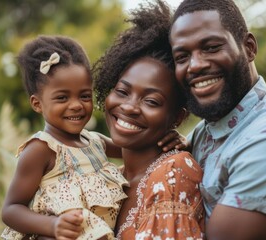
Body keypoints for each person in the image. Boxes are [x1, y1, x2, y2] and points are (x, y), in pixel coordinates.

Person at [166, 0, 266, 239]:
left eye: (211, 47)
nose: (195, 65)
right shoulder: (209, 130)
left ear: (249, 47)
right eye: (182, 57)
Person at [92, 1, 205, 239]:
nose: (130, 107)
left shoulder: (174, 172)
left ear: (177, 116)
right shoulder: (110, 178)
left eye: (151, 101)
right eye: (122, 91)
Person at [1, 35, 129, 240]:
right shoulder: (42, 149)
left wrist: (172, 141)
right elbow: (10, 210)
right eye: (62, 97)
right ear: (37, 104)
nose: (76, 105)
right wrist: (53, 225)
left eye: (85, 96)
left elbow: (135, 150)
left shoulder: (95, 142)